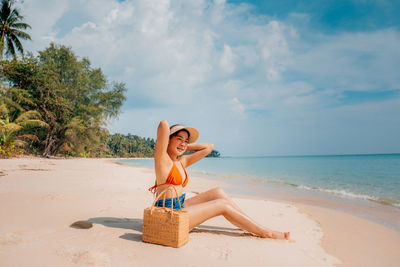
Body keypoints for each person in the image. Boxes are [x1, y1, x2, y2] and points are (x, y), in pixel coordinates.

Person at [149, 120, 290, 240]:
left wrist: (184, 146)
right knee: (221, 205)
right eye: (179, 139)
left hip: (179, 206)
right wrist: (166, 143)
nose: (183, 143)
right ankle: (266, 232)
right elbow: (163, 124)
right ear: (168, 139)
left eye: (186, 141)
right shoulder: (163, 160)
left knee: (218, 192)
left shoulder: (182, 161)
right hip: (169, 216)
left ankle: (249, 223)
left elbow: (209, 147)